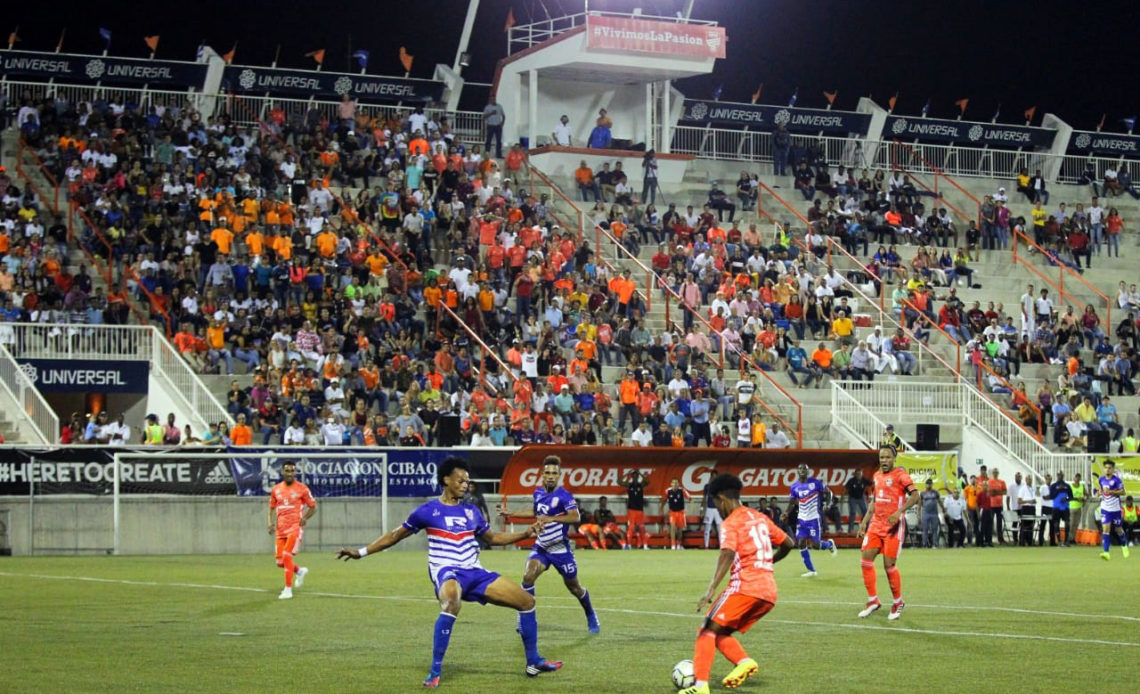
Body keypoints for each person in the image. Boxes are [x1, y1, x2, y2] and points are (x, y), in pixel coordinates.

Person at [337, 457, 561, 687]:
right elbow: (394, 536)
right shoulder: (427, 511)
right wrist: (360, 552)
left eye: (467, 481)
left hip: (475, 571)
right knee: (452, 601)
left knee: (527, 601)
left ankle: (533, 661)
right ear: (446, 480)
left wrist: (526, 533)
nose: (466, 485)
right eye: (461, 480)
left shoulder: (471, 511)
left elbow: (492, 538)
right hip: (447, 570)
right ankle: (435, 671)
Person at [679, 473, 794, 694]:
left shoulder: (731, 522)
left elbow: (727, 554)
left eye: (716, 503)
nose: (718, 509)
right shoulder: (759, 517)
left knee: (706, 630)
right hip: (768, 593)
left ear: (721, 498)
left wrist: (711, 588)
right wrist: (767, 562)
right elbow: (788, 543)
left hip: (745, 587)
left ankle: (700, 687)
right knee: (720, 632)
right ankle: (743, 662)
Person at [501, 456, 600, 632]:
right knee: (528, 577)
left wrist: (552, 518)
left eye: (554, 473)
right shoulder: (538, 493)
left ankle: (591, 615)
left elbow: (575, 516)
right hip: (541, 547)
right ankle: (525, 620)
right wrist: (512, 513)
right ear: (542, 475)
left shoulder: (564, 496)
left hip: (560, 550)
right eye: (547, 473)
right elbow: (535, 511)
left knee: (575, 588)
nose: (551, 476)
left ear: (559, 475)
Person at [857, 445, 919, 621]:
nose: (884, 461)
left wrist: (900, 511)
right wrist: (864, 522)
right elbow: (874, 501)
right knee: (865, 560)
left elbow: (915, 496)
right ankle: (873, 601)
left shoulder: (901, 475)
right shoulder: (876, 476)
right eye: (881, 457)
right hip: (876, 524)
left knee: (888, 565)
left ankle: (898, 602)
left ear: (894, 458)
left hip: (893, 526)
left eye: (887, 457)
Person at [268, 461, 316, 600]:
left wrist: (305, 517)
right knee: (280, 562)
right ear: (282, 472)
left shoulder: (302, 489)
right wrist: (270, 522)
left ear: (295, 473)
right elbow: (271, 506)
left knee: (287, 555)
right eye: (287, 471)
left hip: (294, 527)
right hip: (280, 529)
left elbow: (313, 506)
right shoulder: (276, 489)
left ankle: (288, 589)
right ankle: (299, 571)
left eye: (292, 471)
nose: (290, 473)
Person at [785, 464, 838, 577]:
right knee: (800, 543)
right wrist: (786, 513)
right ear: (797, 471)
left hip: (814, 519)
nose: (802, 470)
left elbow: (829, 492)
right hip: (802, 520)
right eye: (800, 468)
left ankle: (829, 544)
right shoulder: (794, 487)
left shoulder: (815, 483)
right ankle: (812, 570)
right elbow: (792, 501)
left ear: (808, 471)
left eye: (805, 469)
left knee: (815, 545)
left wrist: (828, 504)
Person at [1097, 460, 1130, 560]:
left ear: (1113, 469)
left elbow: (1123, 492)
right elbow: (1101, 490)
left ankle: (1124, 546)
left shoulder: (1117, 480)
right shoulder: (1101, 480)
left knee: (1118, 529)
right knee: (1106, 530)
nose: (1108, 469)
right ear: (1103, 469)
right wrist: (1099, 492)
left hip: (1115, 509)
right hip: (1105, 509)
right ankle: (1106, 552)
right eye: (1106, 468)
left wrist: (1111, 491)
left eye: (1110, 468)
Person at [661, 477, 692, 550]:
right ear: (671, 484)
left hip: (681, 512)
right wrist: (661, 508)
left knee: (680, 529)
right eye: (673, 483)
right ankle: (673, 545)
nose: (675, 484)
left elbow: (690, 498)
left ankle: (679, 544)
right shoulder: (667, 491)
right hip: (672, 512)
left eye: (676, 483)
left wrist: (691, 506)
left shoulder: (682, 490)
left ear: (678, 484)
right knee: (672, 528)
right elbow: (664, 500)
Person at [624, 469, 650, 549]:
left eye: (636, 476)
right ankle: (629, 545)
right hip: (631, 509)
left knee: (642, 528)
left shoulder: (640, 485)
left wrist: (640, 473)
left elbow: (647, 481)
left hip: (639, 509)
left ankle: (645, 545)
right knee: (631, 528)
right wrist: (627, 474)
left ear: (638, 477)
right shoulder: (629, 485)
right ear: (632, 477)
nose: (635, 477)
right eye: (633, 475)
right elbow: (619, 481)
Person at [1047, 471, 1074, 546]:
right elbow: (1051, 496)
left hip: (1065, 507)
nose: (1060, 476)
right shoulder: (1053, 486)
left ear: (1063, 475)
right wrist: (1058, 490)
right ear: (1057, 475)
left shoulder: (1067, 486)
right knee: (1056, 523)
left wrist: (1066, 498)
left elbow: (1071, 497)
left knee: (1067, 523)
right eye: (1058, 475)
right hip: (1056, 507)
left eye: (1061, 475)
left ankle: (1066, 540)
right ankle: (1059, 541)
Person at [918, 479, 943, 548]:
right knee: (925, 529)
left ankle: (935, 544)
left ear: (932, 484)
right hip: (925, 513)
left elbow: (939, 501)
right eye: (927, 484)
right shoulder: (922, 492)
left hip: (934, 514)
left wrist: (943, 508)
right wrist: (918, 513)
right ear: (925, 484)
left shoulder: (935, 492)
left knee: (934, 529)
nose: (929, 485)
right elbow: (919, 503)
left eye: (930, 484)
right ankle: (924, 544)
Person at [702, 473, 722, 549]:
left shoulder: (720, 487)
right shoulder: (707, 486)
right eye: (712, 477)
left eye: (715, 477)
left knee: (719, 529)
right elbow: (704, 498)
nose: (714, 479)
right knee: (707, 528)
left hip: (717, 509)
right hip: (709, 509)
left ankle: (721, 546)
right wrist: (702, 508)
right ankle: (706, 546)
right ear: (710, 477)